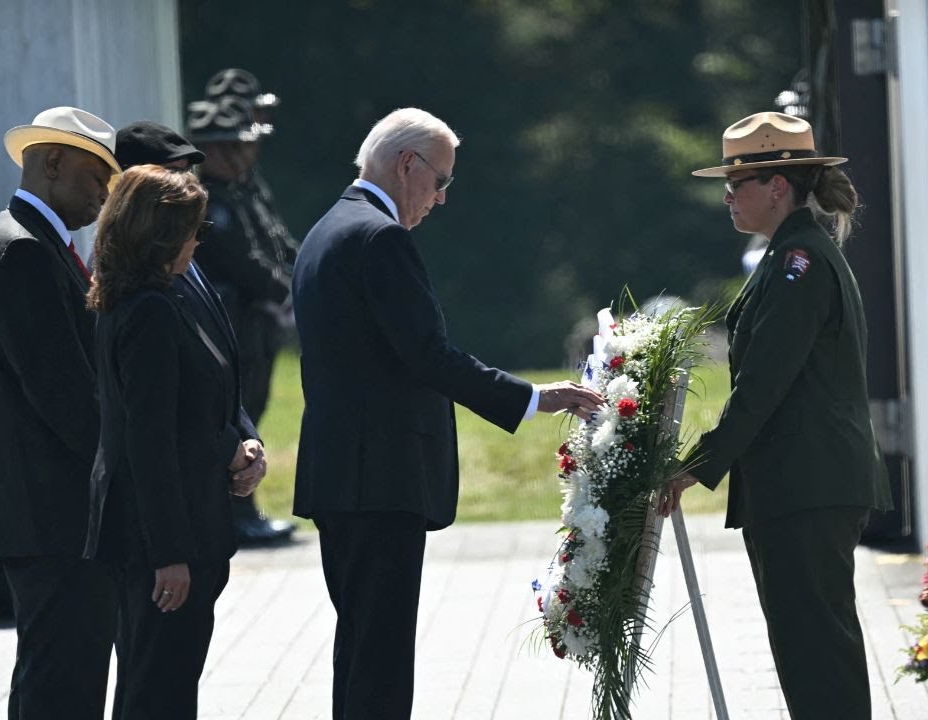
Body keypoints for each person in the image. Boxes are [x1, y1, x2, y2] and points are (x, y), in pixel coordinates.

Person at [292, 107, 604, 720]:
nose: (440, 199)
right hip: (379, 478)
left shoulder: (326, 228)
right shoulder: (381, 237)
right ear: (407, 166)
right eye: (441, 181)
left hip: (341, 475)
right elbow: (427, 356)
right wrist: (534, 397)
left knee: (359, 649)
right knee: (379, 658)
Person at [660, 111, 893, 720]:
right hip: (800, 483)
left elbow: (763, 387)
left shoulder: (801, 264)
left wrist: (696, 466)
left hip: (808, 484)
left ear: (777, 187)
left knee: (817, 651)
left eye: (737, 184)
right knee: (806, 648)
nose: (728, 197)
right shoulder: (791, 255)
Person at [0, 106, 121, 720]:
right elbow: (65, 400)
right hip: (53, 515)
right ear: (54, 161)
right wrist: (125, 473)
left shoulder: (25, 241)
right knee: (62, 686)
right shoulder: (25, 251)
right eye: (97, 179)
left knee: (54, 680)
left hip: (47, 514)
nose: (105, 197)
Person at [84, 165, 251, 719]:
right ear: (162, 237)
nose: (197, 243)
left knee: (155, 684)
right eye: (190, 230)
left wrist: (235, 443)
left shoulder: (137, 301)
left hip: (163, 530)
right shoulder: (150, 312)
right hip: (161, 537)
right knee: (159, 691)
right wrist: (170, 555)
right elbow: (151, 441)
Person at [113, 120, 271, 521]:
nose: (189, 185)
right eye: (175, 173)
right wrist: (228, 448)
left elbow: (220, 370)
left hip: (209, 493)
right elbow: (160, 413)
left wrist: (249, 440)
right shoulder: (134, 280)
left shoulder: (188, 258)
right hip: (176, 502)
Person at [187, 90, 297, 546]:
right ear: (210, 151)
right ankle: (236, 512)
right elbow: (243, 263)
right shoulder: (211, 202)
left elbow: (274, 243)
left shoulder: (239, 193)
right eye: (230, 147)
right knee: (236, 420)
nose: (242, 155)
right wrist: (289, 289)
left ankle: (241, 509)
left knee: (250, 418)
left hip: (252, 325)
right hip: (231, 324)